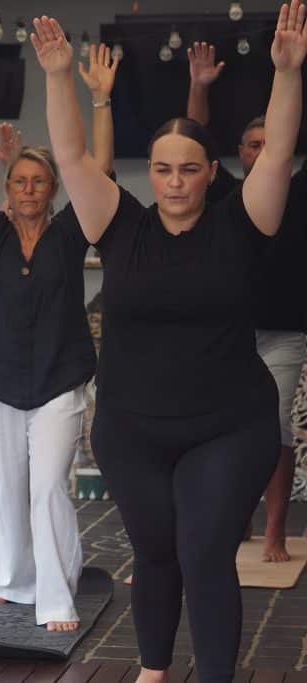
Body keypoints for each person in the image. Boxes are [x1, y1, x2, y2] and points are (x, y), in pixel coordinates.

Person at [33, 3, 304, 679]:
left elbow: (275, 151)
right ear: (148, 173)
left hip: (228, 424)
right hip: (131, 429)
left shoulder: (243, 225)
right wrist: (61, 76)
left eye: (189, 168)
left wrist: (287, 73)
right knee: (154, 550)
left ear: (212, 171)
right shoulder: (120, 225)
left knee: (204, 545)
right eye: (162, 169)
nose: (176, 181)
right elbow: (68, 153)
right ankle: (153, 669)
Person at [0, 42, 103, 632]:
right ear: (7, 189)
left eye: (38, 181)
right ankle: (11, 579)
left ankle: (57, 595)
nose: (28, 189)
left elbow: (98, 167)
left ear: (53, 189)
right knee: (5, 489)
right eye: (19, 181)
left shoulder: (68, 234)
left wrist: (101, 100)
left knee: (48, 491)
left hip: (58, 382)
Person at [186, 40, 307, 563]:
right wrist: (198, 87)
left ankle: (275, 531)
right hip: (227, 335)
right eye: (251, 144)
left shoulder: (298, 191)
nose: (260, 150)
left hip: (283, 332)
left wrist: (291, 71)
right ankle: (234, 524)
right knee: (221, 430)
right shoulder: (224, 195)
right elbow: (193, 143)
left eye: (268, 142)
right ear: (239, 154)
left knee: (273, 427)